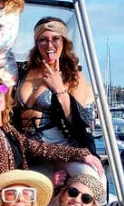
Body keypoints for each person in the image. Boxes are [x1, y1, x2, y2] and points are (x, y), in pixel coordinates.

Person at [0, 72, 103, 184]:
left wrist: (81, 154)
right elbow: (0, 187)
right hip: (10, 205)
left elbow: (37, 148)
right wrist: (45, 182)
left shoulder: (6, 128)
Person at [15, 17, 97, 153]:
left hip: (66, 151)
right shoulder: (24, 72)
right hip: (30, 152)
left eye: (55, 38)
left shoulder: (74, 77)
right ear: (36, 43)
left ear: (64, 41)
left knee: (86, 175)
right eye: (43, 40)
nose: (49, 45)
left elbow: (78, 122)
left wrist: (59, 88)